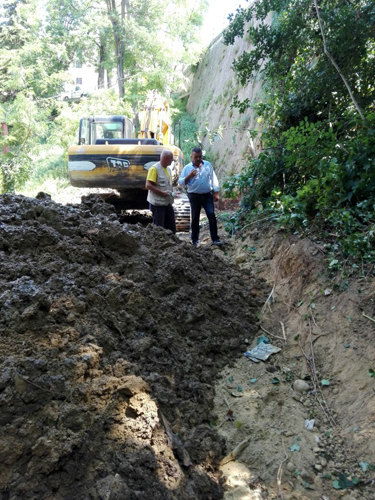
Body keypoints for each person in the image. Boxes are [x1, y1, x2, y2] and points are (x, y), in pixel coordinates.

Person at [178, 147, 223, 247]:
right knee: (195, 218)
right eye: (196, 157)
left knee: (211, 215)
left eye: (200, 156)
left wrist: (216, 192)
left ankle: (215, 239)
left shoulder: (207, 165)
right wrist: (189, 176)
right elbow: (181, 183)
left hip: (207, 195)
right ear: (191, 157)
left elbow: (213, 178)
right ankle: (195, 240)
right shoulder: (187, 168)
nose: (198, 159)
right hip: (194, 196)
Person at [145, 150, 176, 233]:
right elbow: (148, 185)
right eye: (171, 158)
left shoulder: (168, 169)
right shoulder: (154, 169)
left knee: (171, 226)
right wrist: (162, 193)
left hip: (167, 203)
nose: (172, 160)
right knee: (159, 228)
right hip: (157, 204)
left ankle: (172, 243)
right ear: (166, 158)